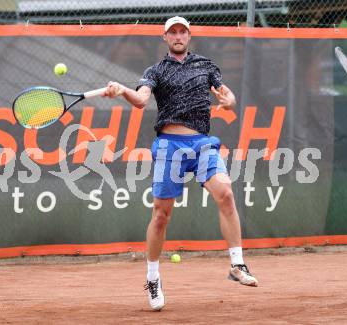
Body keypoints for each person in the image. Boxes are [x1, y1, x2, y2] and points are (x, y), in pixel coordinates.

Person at [104, 16, 258, 311]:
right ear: (164, 37)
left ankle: (237, 264)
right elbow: (140, 100)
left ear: (189, 35)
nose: (177, 36)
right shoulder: (155, 71)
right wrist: (122, 90)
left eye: (182, 31)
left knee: (225, 193)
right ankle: (152, 278)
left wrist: (229, 100)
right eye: (172, 32)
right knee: (161, 215)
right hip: (170, 146)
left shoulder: (207, 66)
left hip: (202, 144)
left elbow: (228, 95)